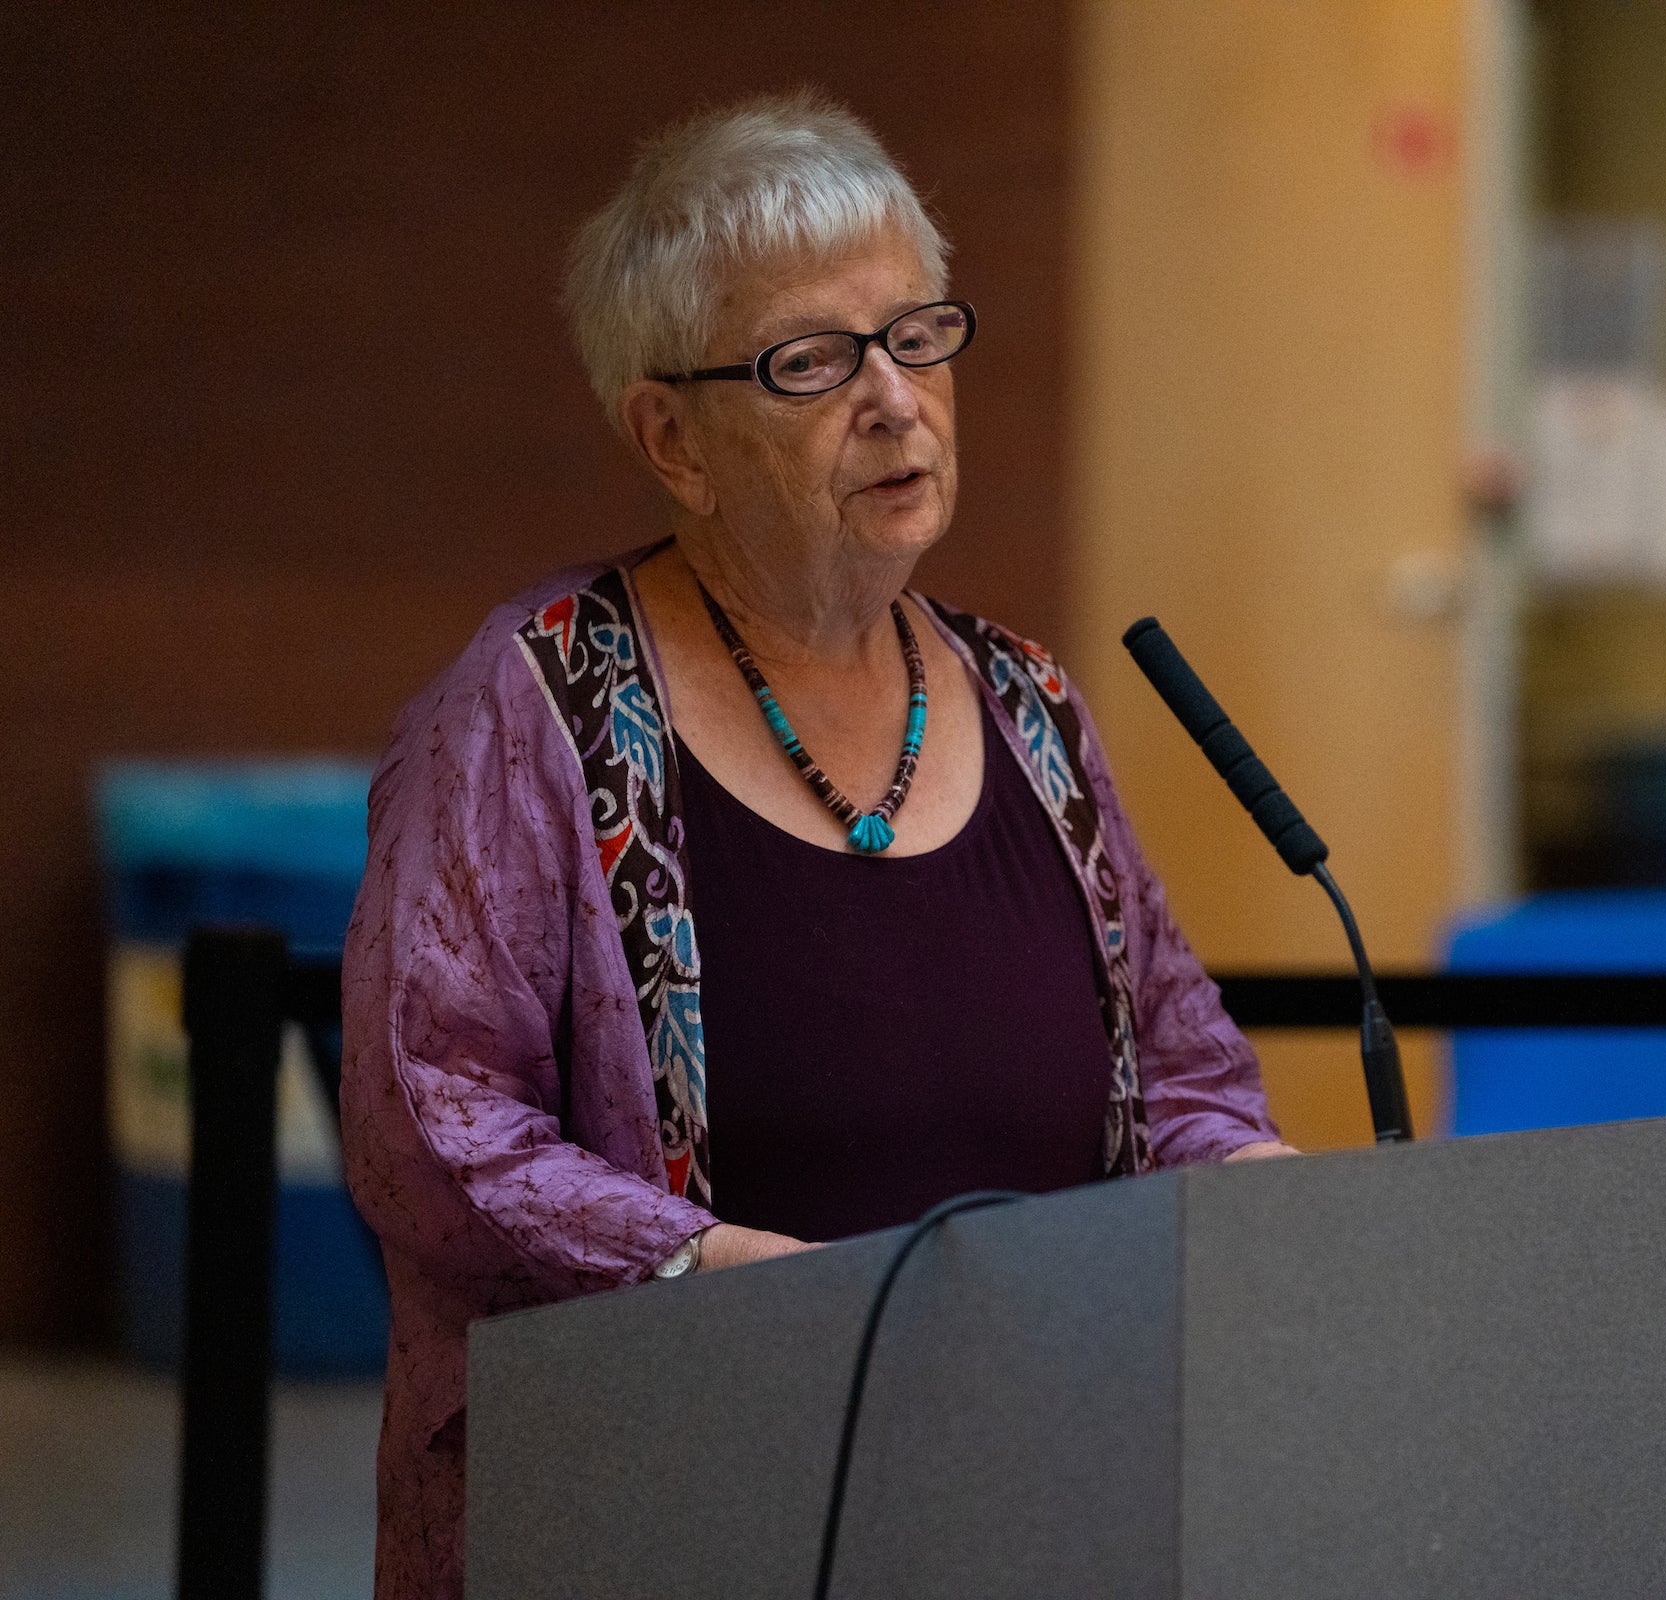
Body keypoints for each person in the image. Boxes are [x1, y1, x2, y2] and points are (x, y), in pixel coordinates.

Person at [341, 89, 1293, 1600]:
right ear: (674, 436)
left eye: (917, 336)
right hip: (682, 1505)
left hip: (1033, 1490)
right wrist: (740, 1289)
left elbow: (1176, 1072)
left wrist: (1256, 1182)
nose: (895, 399)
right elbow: (431, 1126)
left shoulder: (1031, 704)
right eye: (811, 362)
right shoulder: (539, 703)